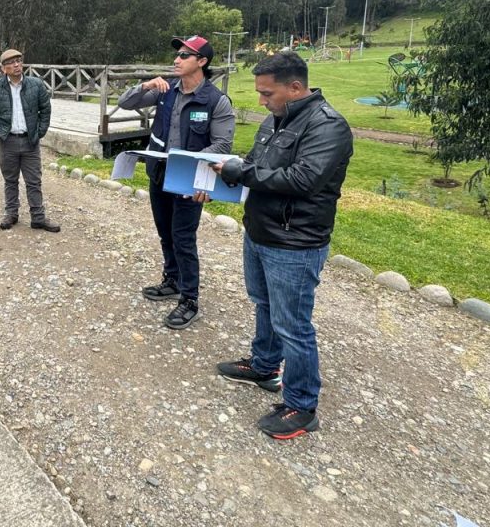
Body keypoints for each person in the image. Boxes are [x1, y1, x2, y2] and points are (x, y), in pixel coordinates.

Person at [210, 50, 353, 439]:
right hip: (261, 231)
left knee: (293, 325)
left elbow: (304, 178)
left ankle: (303, 406)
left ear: (295, 87)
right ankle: (264, 365)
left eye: (267, 93)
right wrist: (225, 178)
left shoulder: (328, 126)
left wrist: (244, 171)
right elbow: (258, 167)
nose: (261, 101)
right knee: (264, 304)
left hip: (295, 242)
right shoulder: (275, 120)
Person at [117, 35, 234, 329]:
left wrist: (185, 162)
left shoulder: (216, 101)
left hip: (189, 179)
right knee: (165, 232)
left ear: (202, 62)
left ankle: (190, 299)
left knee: (183, 238)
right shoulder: (165, 91)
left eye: (185, 55)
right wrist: (145, 85)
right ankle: (172, 280)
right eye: (177, 54)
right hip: (158, 174)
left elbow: (222, 145)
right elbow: (124, 102)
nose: (176, 59)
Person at [0, 48, 60, 232]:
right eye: (11, 62)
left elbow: (45, 109)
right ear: (3, 68)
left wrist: (39, 131)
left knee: (34, 181)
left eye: (18, 60)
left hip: (30, 141)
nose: (16, 65)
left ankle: (38, 217)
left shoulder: (36, 85)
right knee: (10, 180)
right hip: (7, 141)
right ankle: (11, 214)